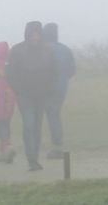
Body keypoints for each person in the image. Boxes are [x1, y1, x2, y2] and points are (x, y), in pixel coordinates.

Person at [6, 21, 59, 171]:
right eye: (32, 33)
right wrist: (18, 90)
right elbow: (10, 73)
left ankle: (34, 158)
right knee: (29, 125)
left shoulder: (48, 51)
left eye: (38, 33)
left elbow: (55, 72)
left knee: (37, 126)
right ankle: (31, 159)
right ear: (27, 33)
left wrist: (50, 88)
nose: (35, 36)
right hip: (24, 96)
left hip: (41, 95)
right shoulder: (17, 50)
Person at [43, 23, 76, 159]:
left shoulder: (42, 49)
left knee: (39, 115)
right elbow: (71, 71)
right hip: (61, 88)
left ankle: (37, 145)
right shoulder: (65, 50)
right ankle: (57, 145)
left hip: (43, 87)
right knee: (54, 115)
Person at [0, 41, 16, 163]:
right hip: (9, 97)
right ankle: (6, 149)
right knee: (6, 123)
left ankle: (6, 147)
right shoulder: (9, 65)